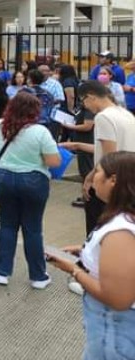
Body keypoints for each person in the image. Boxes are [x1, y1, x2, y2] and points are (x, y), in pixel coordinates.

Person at [46, 152, 135, 359]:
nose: (93, 177)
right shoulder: (124, 219)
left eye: (98, 172)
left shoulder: (119, 231)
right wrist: (85, 251)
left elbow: (118, 298)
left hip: (114, 324)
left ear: (113, 181)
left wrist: (74, 270)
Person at [0, 92, 60, 289]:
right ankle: (38, 276)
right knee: (33, 228)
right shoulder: (40, 132)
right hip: (34, 180)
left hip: (3, 177)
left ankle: (2, 270)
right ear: (35, 111)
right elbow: (53, 161)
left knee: (8, 224)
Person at [60, 80, 135, 235]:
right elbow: (112, 148)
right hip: (127, 178)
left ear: (91, 96)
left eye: (84, 101)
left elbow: (109, 156)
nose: (85, 106)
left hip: (108, 181)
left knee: (97, 229)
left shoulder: (103, 118)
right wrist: (78, 145)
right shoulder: (125, 114)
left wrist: (90, 177)